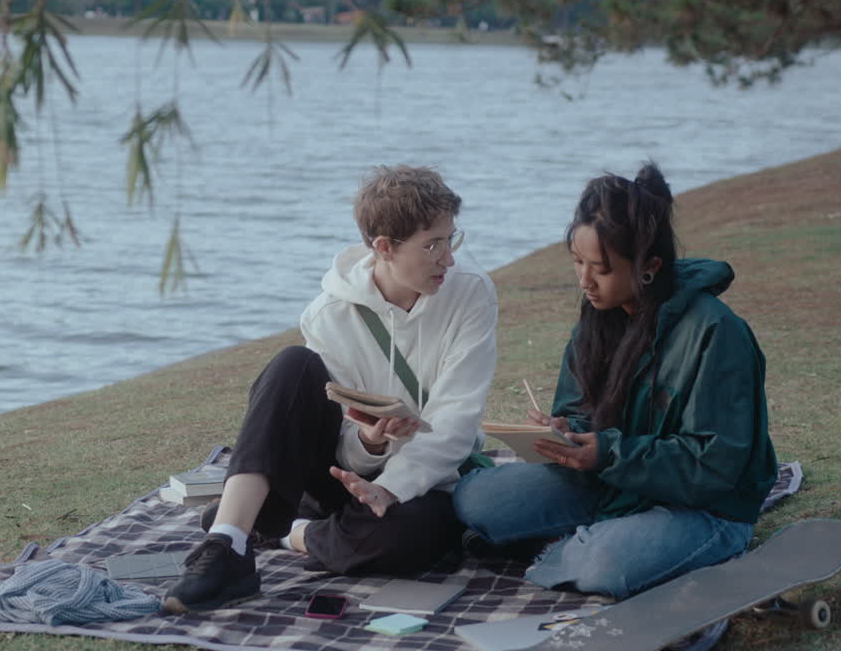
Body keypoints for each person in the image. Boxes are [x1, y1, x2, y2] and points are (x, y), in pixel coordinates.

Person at [163, 165, 498, 614]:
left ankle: (285, 530)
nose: (448, 258)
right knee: (293, 364)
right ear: (384, 247)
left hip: (426, 479)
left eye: (451, 239)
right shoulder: (328, 315)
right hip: (345, 475)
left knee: (408, 540)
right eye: (432, 245)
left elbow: (457, 418)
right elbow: (342, 446)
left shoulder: (471, 294)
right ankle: (227, 544)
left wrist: (390, 486)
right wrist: (370, 442)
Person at [453, 162, 777, 601]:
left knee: (603, 563)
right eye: (577, 262)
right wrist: (567, 433)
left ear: (648, 267)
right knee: (477, 500)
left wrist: (608, 452)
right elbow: (578, 410)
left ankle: (574, 547)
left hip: (705, 508)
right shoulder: (598, 318)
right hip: (613, 482)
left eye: (600, 268)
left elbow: (715, 467)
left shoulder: (716, 334)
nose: (584, 280)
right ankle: (587, 538)